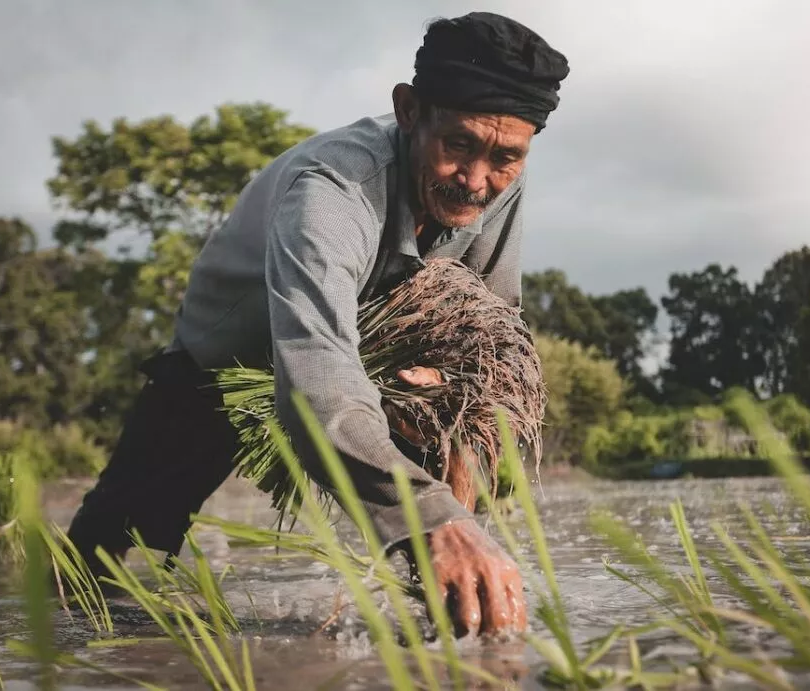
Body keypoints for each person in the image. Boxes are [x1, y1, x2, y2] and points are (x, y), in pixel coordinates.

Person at [65, 11, 569, 639]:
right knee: (110, 556)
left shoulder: (499, 185)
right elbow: (318, 381)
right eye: (458, 145)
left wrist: (451, 410)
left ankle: (445, 626)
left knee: (450, 463)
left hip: (376, 361)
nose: (475, 181)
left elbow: (494, 333)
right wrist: (431, 516)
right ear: (410, 111)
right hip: (226, 363)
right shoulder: (333, 192)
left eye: (506, 156)